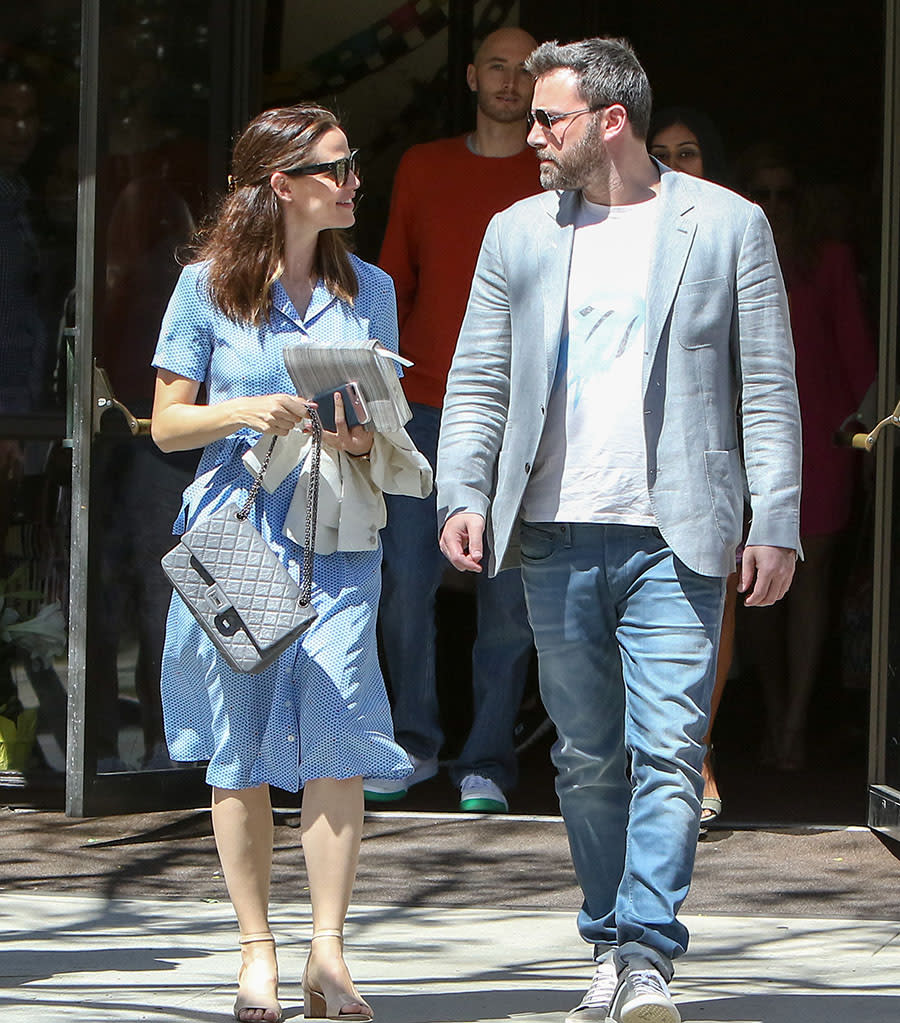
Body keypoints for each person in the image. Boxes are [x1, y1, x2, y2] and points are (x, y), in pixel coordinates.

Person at [436, 37, 801, 1023]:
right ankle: (606, 936)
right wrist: (463, 492)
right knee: (587, 757)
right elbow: (476, 381)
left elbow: (765, 385)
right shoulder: (518, 232)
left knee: (672, 745)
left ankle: (646, 955)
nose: (529, 132)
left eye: (549, 118)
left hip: (677, 537)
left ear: (609, 122)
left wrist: (779, 519)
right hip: (552, 534)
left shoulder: (729, 226)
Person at [151, 103, 428, 1023]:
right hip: (235, 526)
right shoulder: (206, 289)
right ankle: (256, 951)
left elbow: (383, 424)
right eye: (338, 169)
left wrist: (358, 431)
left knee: (340, 730)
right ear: (284, 184)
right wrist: (248, 409)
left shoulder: (372, 289)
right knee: (240, 744)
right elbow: (165, 424)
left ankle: (329, 953)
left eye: (353, 166)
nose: (355, 184)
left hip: (338, 532)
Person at [371, 26, 540, 813]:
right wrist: (378, 396)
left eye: (525, 71)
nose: (510, 82)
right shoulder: (422, 165)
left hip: (520, 411)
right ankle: (412, 742)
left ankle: (489, 759)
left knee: (507, 594)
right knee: (405, 582)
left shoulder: (555, 176)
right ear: (471, 75)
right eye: (497, 67)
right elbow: (390, 283)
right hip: (421, 405)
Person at [733, 143, 876, 772]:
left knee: (810, 580)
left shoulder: (831, 261)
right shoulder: (730, 254)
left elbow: (859, 360)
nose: (772, 205)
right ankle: (771, 709)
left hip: (821, 439)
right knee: (756, 582)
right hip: (742, 441)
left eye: (784, 192)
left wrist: (864, 435)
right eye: (759, 192)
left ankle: (793, 726)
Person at [647, 106, 733, 826]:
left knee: (710, 609)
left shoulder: (736, 231)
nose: (675, 163)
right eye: (661, 151)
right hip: (617, 463)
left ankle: (694, 750)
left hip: (707, 455)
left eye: (691, 151)